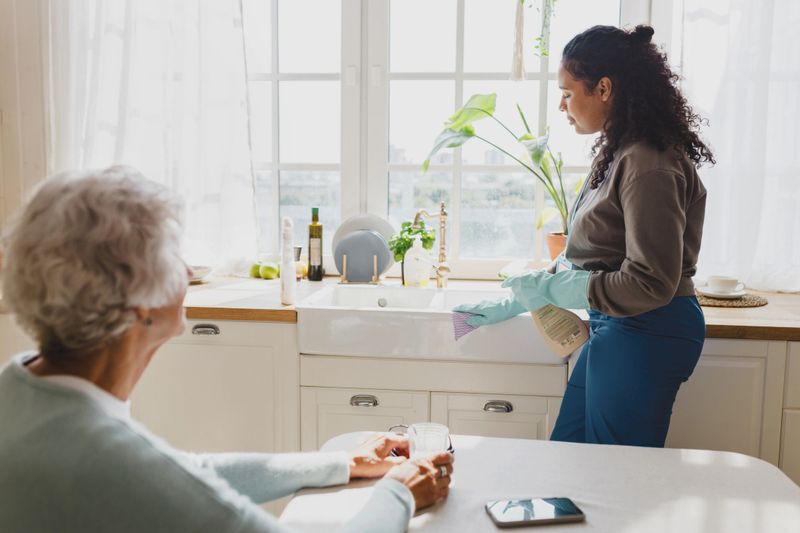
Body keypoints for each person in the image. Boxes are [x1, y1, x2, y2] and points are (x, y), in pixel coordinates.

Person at [0, 166, 453, 532]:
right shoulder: (108, 459)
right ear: (141, 305)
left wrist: (339, 463)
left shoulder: (19, 385)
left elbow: (182, 473)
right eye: (173, 256)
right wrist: (401, 491)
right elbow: (151, 475)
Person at [456, 25, 714, 447]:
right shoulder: (621, 152)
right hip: (618, 327)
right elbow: (598, 249)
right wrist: (528, 293)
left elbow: (651, 282)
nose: (561, 105)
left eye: (568, 92)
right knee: (569, 457)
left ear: (605, 89)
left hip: (648, 330)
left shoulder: (648, 163)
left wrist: (561, 288)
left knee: (610, 477)